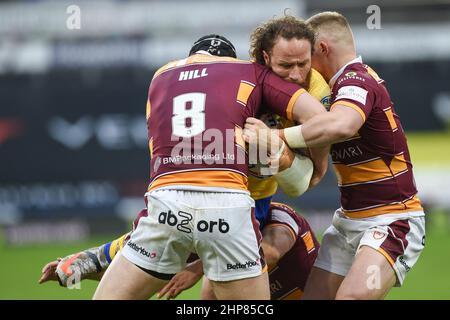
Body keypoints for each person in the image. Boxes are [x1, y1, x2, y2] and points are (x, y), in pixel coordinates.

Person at [90, 33, 326, 300]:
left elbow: (156, 145)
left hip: (168, 203)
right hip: (228, 205)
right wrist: (281, 141)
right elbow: (319, 118)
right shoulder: (252, 73)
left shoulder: (161, 76)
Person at [244, 12, 426, 300]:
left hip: (391, 220)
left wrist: (275, 138)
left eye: (305, 62)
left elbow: (342, 126)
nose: (300, 74)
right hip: (348, 222)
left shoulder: (356, 80)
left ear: (322, 49)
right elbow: (313, 175)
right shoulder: (335, 91)